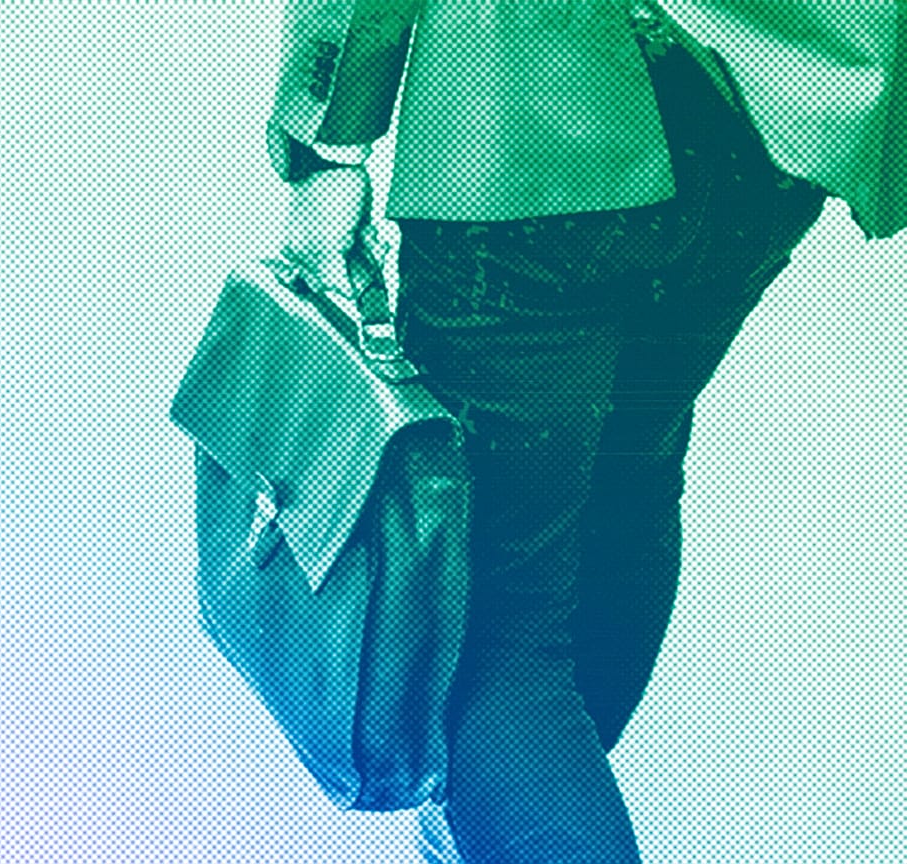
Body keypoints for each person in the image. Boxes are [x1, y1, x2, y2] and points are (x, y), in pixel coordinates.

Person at [272, 1, 901, 861]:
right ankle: (512, 814)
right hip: (762, 127)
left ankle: (515, 812)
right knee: (624, 493)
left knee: (493, 625)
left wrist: (326, 145)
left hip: (530, 110)